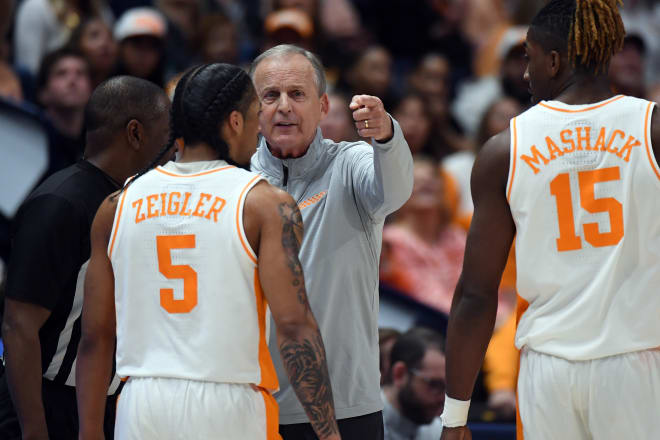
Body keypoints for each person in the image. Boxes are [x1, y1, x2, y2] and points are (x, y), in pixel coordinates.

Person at [76, 63, 340, 440]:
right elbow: (295, 328)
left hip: (140, 404)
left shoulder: (117, 205)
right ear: (234, 122)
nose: (259, 130)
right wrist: (330, 434)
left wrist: (89, 433)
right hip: (228, 405)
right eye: (254, 117)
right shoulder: (263, 204)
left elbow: (95, 337)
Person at [441, 1, 660, 439]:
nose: (525, 72)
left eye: (529, 57)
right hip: (636, 363)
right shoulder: (651, 129)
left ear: (555, 60)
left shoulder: (504, 150)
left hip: (547, 370)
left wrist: (455, 418)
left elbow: (476, 296)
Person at [249, 44, 413, 439]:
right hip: (257, 406)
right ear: (253, 112)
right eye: (270, 95)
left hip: (348, 406)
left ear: (323, 106)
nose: (284, 106)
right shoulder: (238, 181)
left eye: (297, 94)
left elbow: (395, 191)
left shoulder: (352, 163)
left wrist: (387, 135)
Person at [0, 76, 171, 440]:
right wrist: (34, 431)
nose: (172, 149)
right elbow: (18, 326)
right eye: (167, 135)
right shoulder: (62, 203)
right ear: (136, 134)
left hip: (99, 403)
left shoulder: (130, 199)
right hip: (46, 406)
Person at [382, 327, 445, 440]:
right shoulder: (361, 423)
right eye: (434, 385)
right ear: (400, 374)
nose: (443, 398)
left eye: (448, 388)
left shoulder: (435, 429)